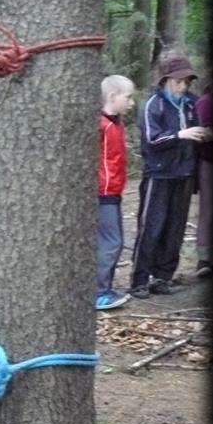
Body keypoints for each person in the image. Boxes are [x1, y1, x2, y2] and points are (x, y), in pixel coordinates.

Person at [129, 52, 207, 298]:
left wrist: (204, 135)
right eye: (178, 81)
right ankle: (140, 280)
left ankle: (164, 277)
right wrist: (179, 135)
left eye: (187, 81)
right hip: (159, 175)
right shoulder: (155, 104)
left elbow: (197, 132)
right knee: (152, 227)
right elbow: (152, 139)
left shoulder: (192, 103)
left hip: (184, 174)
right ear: (165, 80)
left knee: (175, 229)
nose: (183, 86)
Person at [95, 74, 136, 311]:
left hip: (114, 191)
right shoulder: (101, 124)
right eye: (128, 97)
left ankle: (105, 287)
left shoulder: (115, 123)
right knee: (112, 242)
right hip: (103, 193)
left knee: (114, 241)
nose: (131, 103)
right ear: (112, 96)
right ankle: (99, 292)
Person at [194, 75, 213, 277]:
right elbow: (203, 133)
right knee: (208, 209)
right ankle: (204, 258)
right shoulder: (207, 101)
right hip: (210, 162)